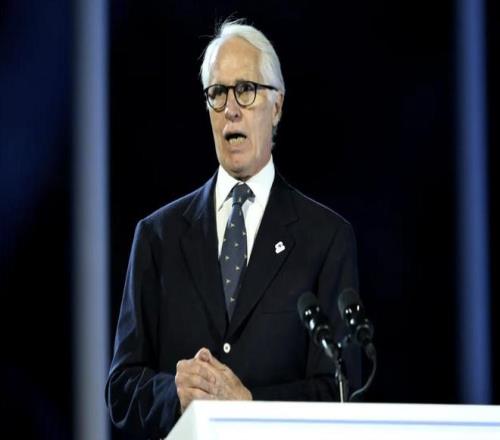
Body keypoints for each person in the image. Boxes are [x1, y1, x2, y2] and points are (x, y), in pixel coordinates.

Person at [106, 19, 361, 438]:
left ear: (276, 106)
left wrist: (250, 407)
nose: (231, 108)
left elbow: (341, 391)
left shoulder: (326, 238)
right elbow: (121, 390)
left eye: (246, 89)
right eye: (218, 93)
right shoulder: (157, 237)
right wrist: (173, 393)